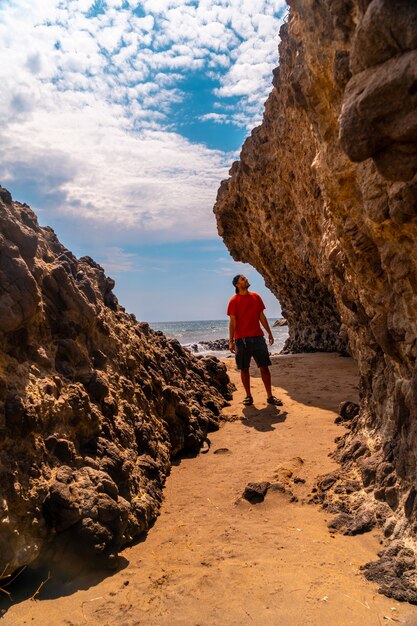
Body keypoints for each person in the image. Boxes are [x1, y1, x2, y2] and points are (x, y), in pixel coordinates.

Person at [227, 274, 283, 407]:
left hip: (258, 338)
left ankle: (270, 396)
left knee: (264, 367)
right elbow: (233, 322)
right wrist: (231, 341)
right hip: (241, 340)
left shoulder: (256, 297)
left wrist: (269, 333)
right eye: (243, 279)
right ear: (237, 285)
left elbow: (261, 316)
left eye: (245, 278)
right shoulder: (233, 301)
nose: (246, 279)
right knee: (244, 369)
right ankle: (248, 396)